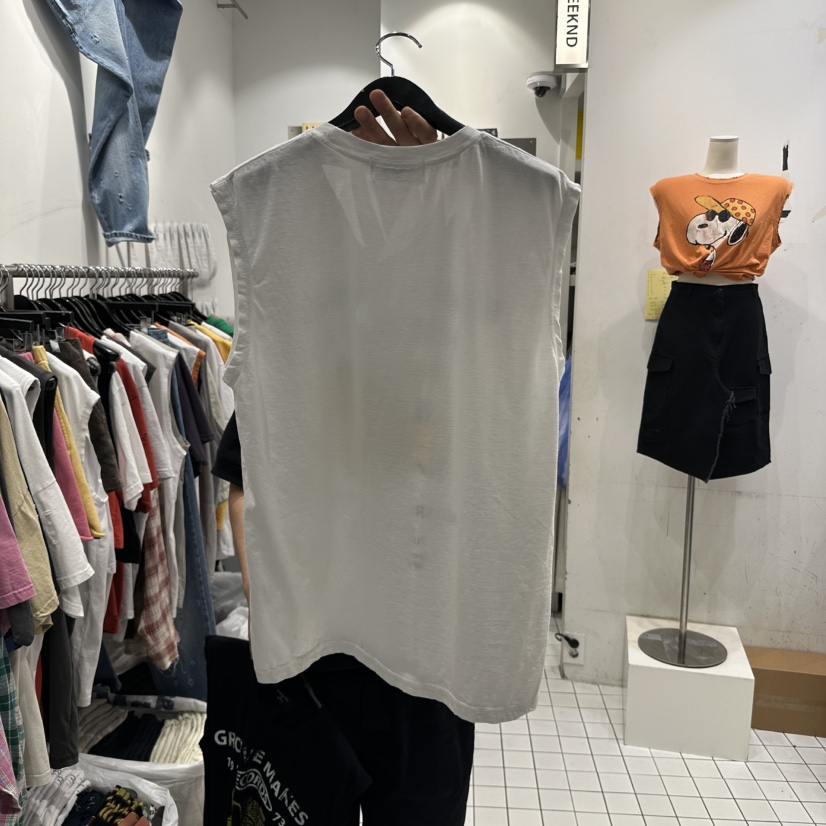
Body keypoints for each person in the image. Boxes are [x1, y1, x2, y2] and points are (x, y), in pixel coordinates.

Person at [211, 89, 474, 825]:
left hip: (430, 657)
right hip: (316, 652)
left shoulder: (463, 343)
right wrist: (274, 608)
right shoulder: (305, 336)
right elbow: (244, 480)